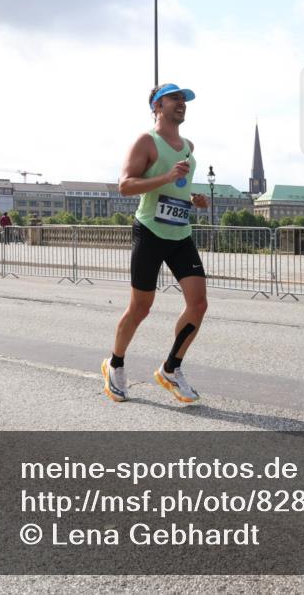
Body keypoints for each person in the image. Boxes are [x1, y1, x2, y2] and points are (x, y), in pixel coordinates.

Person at [102, 83, 210, 403]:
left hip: (180, 234)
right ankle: (116, 363)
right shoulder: (146, 142)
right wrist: (164, 178)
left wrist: (194, 198)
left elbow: (177, 188)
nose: (182, 103)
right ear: (157, 106)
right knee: (140, 307)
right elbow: (125, 185)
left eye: (184, 99)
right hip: (149, 231)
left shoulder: (188, 145)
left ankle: (171, 368)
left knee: (199, 303)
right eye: (175, 98)